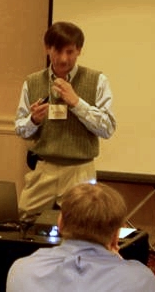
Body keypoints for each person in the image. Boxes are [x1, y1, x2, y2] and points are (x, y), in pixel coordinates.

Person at [14, 21, 116, 218]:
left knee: (82, 227)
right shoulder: (32, 82)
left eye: (70, 52)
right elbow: (19, 128)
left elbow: (108, 128)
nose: (63, 59)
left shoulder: (97, 80)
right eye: (57, 51)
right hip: (44, 167)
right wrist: (33, 120)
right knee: (25, 221)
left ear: (79, 50)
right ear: (47, 49)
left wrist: (77, 103)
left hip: (80, 170)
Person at [6, 182, 155, 292]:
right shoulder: (140, 280)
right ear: (116, 234)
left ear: (60, 224)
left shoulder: (23, 269)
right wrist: (122, 266)